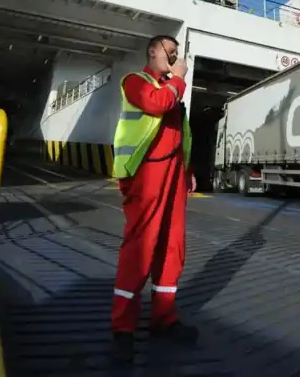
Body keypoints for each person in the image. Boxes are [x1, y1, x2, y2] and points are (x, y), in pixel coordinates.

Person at [110, 34, 199, 363]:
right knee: (141, 246)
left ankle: (164, 318)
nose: (175, 60)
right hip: (146, 172)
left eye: (177, 55)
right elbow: (156, 105)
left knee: (172, 247)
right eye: (170, 54)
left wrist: (187, 170)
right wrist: (179, 78)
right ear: (152, 53)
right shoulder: (136, 81)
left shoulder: (171, 87)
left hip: (173, 173)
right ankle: (122, 328)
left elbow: (179, 132)